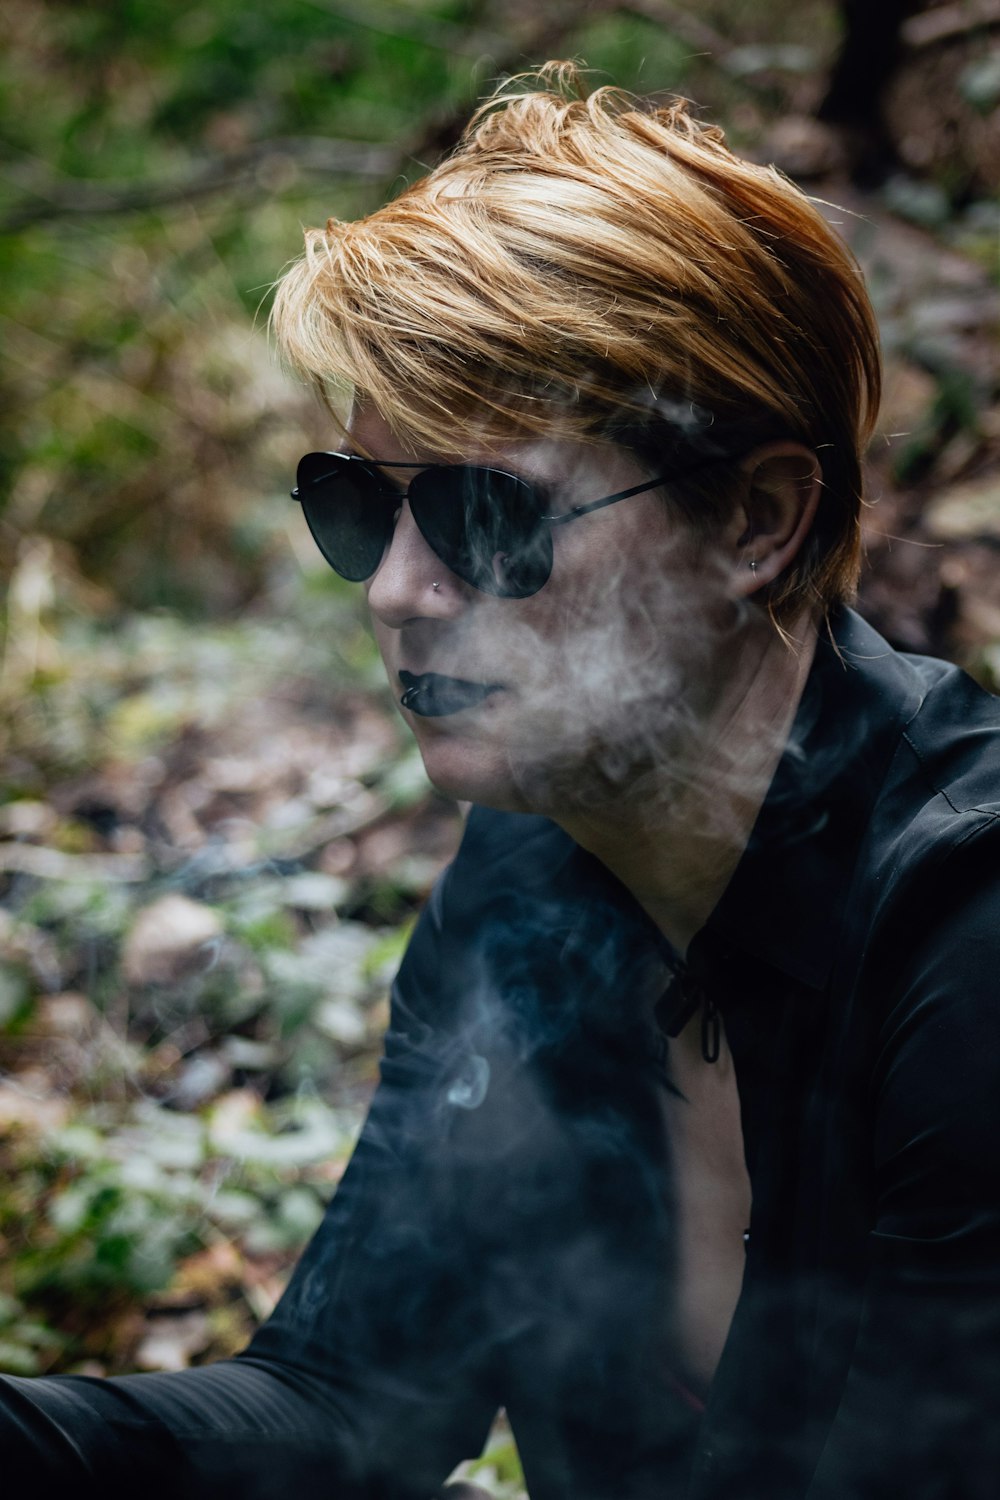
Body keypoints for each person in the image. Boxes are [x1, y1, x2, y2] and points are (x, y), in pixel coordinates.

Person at [3, 61, 999, 1500]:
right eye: (359, 509)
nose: (398, 593)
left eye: (488, 512)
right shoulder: (532, 876)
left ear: (759, 522)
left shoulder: (963, 930)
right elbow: (349, 1401)